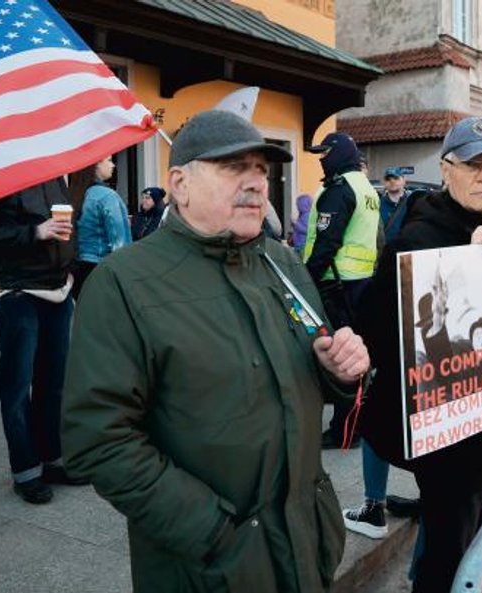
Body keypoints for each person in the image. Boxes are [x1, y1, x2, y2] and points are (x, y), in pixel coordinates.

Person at [61, 110, 370, 593]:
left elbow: (317, 365)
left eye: (261, 171)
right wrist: (213, 532)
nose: (255, 184)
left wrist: (340, 372)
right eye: (233, 168)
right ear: (179, 184)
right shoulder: (123, 283)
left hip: (306, 543)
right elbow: (97, 438)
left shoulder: (282, 261)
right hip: (207, 566)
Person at [357, 116, 482, 593]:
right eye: (474, 166)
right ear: (447, 169)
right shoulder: (416, 239)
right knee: (448, 550)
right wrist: (461, 265)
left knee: (480, 538)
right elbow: (374, 328)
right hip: (446, 437)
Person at [0, 178, 80, 504]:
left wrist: (69, 263)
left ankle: (52, 460)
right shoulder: (0, 170)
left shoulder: (54, 173)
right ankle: (26, 470)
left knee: (53, 383)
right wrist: (34, 233)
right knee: (17, 387)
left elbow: (65, 227)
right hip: (15, 291)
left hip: (57, 288)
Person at [303, 131, 380, 450]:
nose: (322, 160)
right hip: (359, 281)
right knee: (355, 356)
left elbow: (326, 242)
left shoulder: (339, 189)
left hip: (335, 282)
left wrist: (304, 279)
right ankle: (354, 425)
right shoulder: (366, 188)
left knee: (341, 357)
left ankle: (343, 432)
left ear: (339, 154)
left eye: (325, 154)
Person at [69, 156, 132, 299]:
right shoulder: (107, 196)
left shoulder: (74, 194)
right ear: (96, 164)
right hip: (102, 268)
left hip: (76, 270)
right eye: (109, 160)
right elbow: (120, 242)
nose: (113, 165)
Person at [380, 167, 412, 243]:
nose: (392, 181)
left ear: (404, 181)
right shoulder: (378, 204)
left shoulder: (413, 202)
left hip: (408, 250)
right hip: (387, 251)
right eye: (388, 179)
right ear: (384, 183)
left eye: (396, 178)